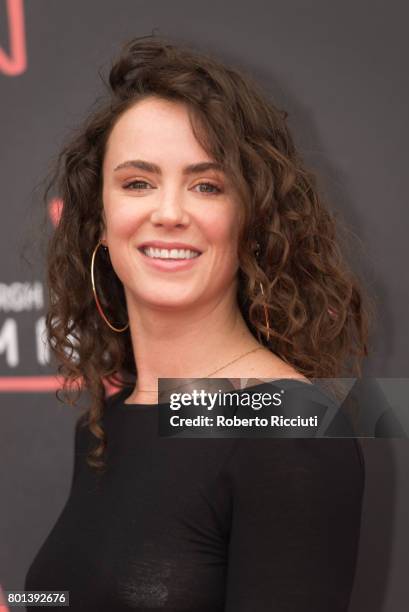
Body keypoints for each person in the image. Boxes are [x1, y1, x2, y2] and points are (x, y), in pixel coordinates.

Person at [25, 34, 372, 610]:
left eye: (206, 186)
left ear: (252, 219)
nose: (168, 212)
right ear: (100, 222)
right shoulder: (109, 422)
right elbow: (75, 596)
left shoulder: (289, 428)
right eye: (137, 182)